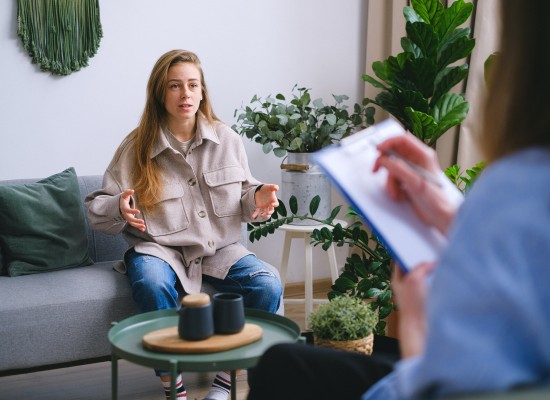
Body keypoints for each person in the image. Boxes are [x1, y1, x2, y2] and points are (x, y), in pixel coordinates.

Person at [246, 1, 550, 399]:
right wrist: (445, 201)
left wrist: (418, 326)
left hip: (428, 378)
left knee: (281, 367)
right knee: (287, 362)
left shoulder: (524, 178)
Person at [85, 49, 283, 400]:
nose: (186, 93)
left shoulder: (227, 139)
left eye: (193, 85)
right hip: (158, 251)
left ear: (203, 91)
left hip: (219, 251)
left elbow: (244, 195)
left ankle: (224, 382)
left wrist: (259, 197)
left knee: (267, 284)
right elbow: (96, 208)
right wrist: (120, 207)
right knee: (150, 281)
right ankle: (172, 384)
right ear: (160, 94)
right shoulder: (135, 148)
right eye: (175, 86)